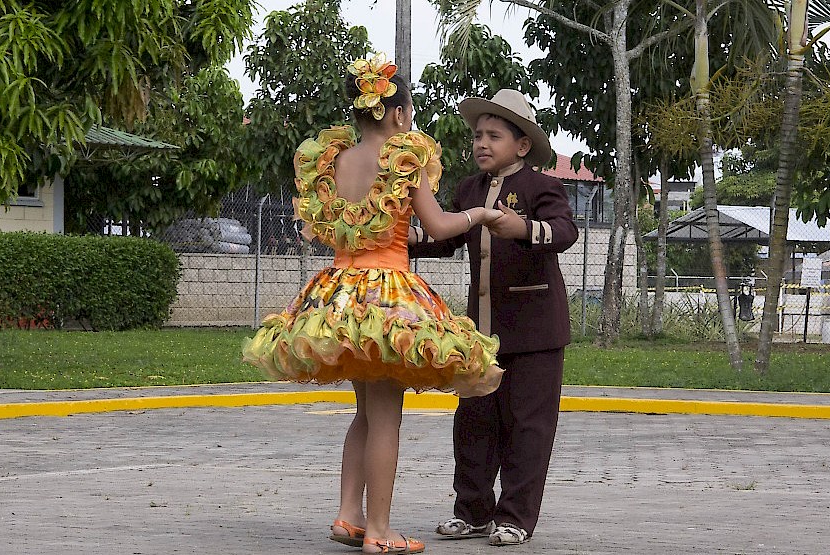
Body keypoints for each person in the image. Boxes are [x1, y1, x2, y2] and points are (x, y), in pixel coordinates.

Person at [242, 53, 505, 555]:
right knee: (386, 417)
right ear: (400, 115)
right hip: (388, 297)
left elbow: (321, 229)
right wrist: (479, 215)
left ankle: (349, 515)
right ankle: (380, 532)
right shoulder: (404, 157)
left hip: (340, 293)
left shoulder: (335, 160)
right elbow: (439, 226)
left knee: (364, 413)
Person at [409, 89, 578, 546]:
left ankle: (516, 518)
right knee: (474, 422)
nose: (481, 143)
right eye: (478, 135)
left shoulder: (544, 188)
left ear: (522, 145)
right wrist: (394, 236)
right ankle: (474, 511)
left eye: (494, 135)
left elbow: (565, 231)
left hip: (536, 333)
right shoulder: (468, 189)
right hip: (478, 334)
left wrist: (522, 228)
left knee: (528, 427)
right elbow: (442, 240)